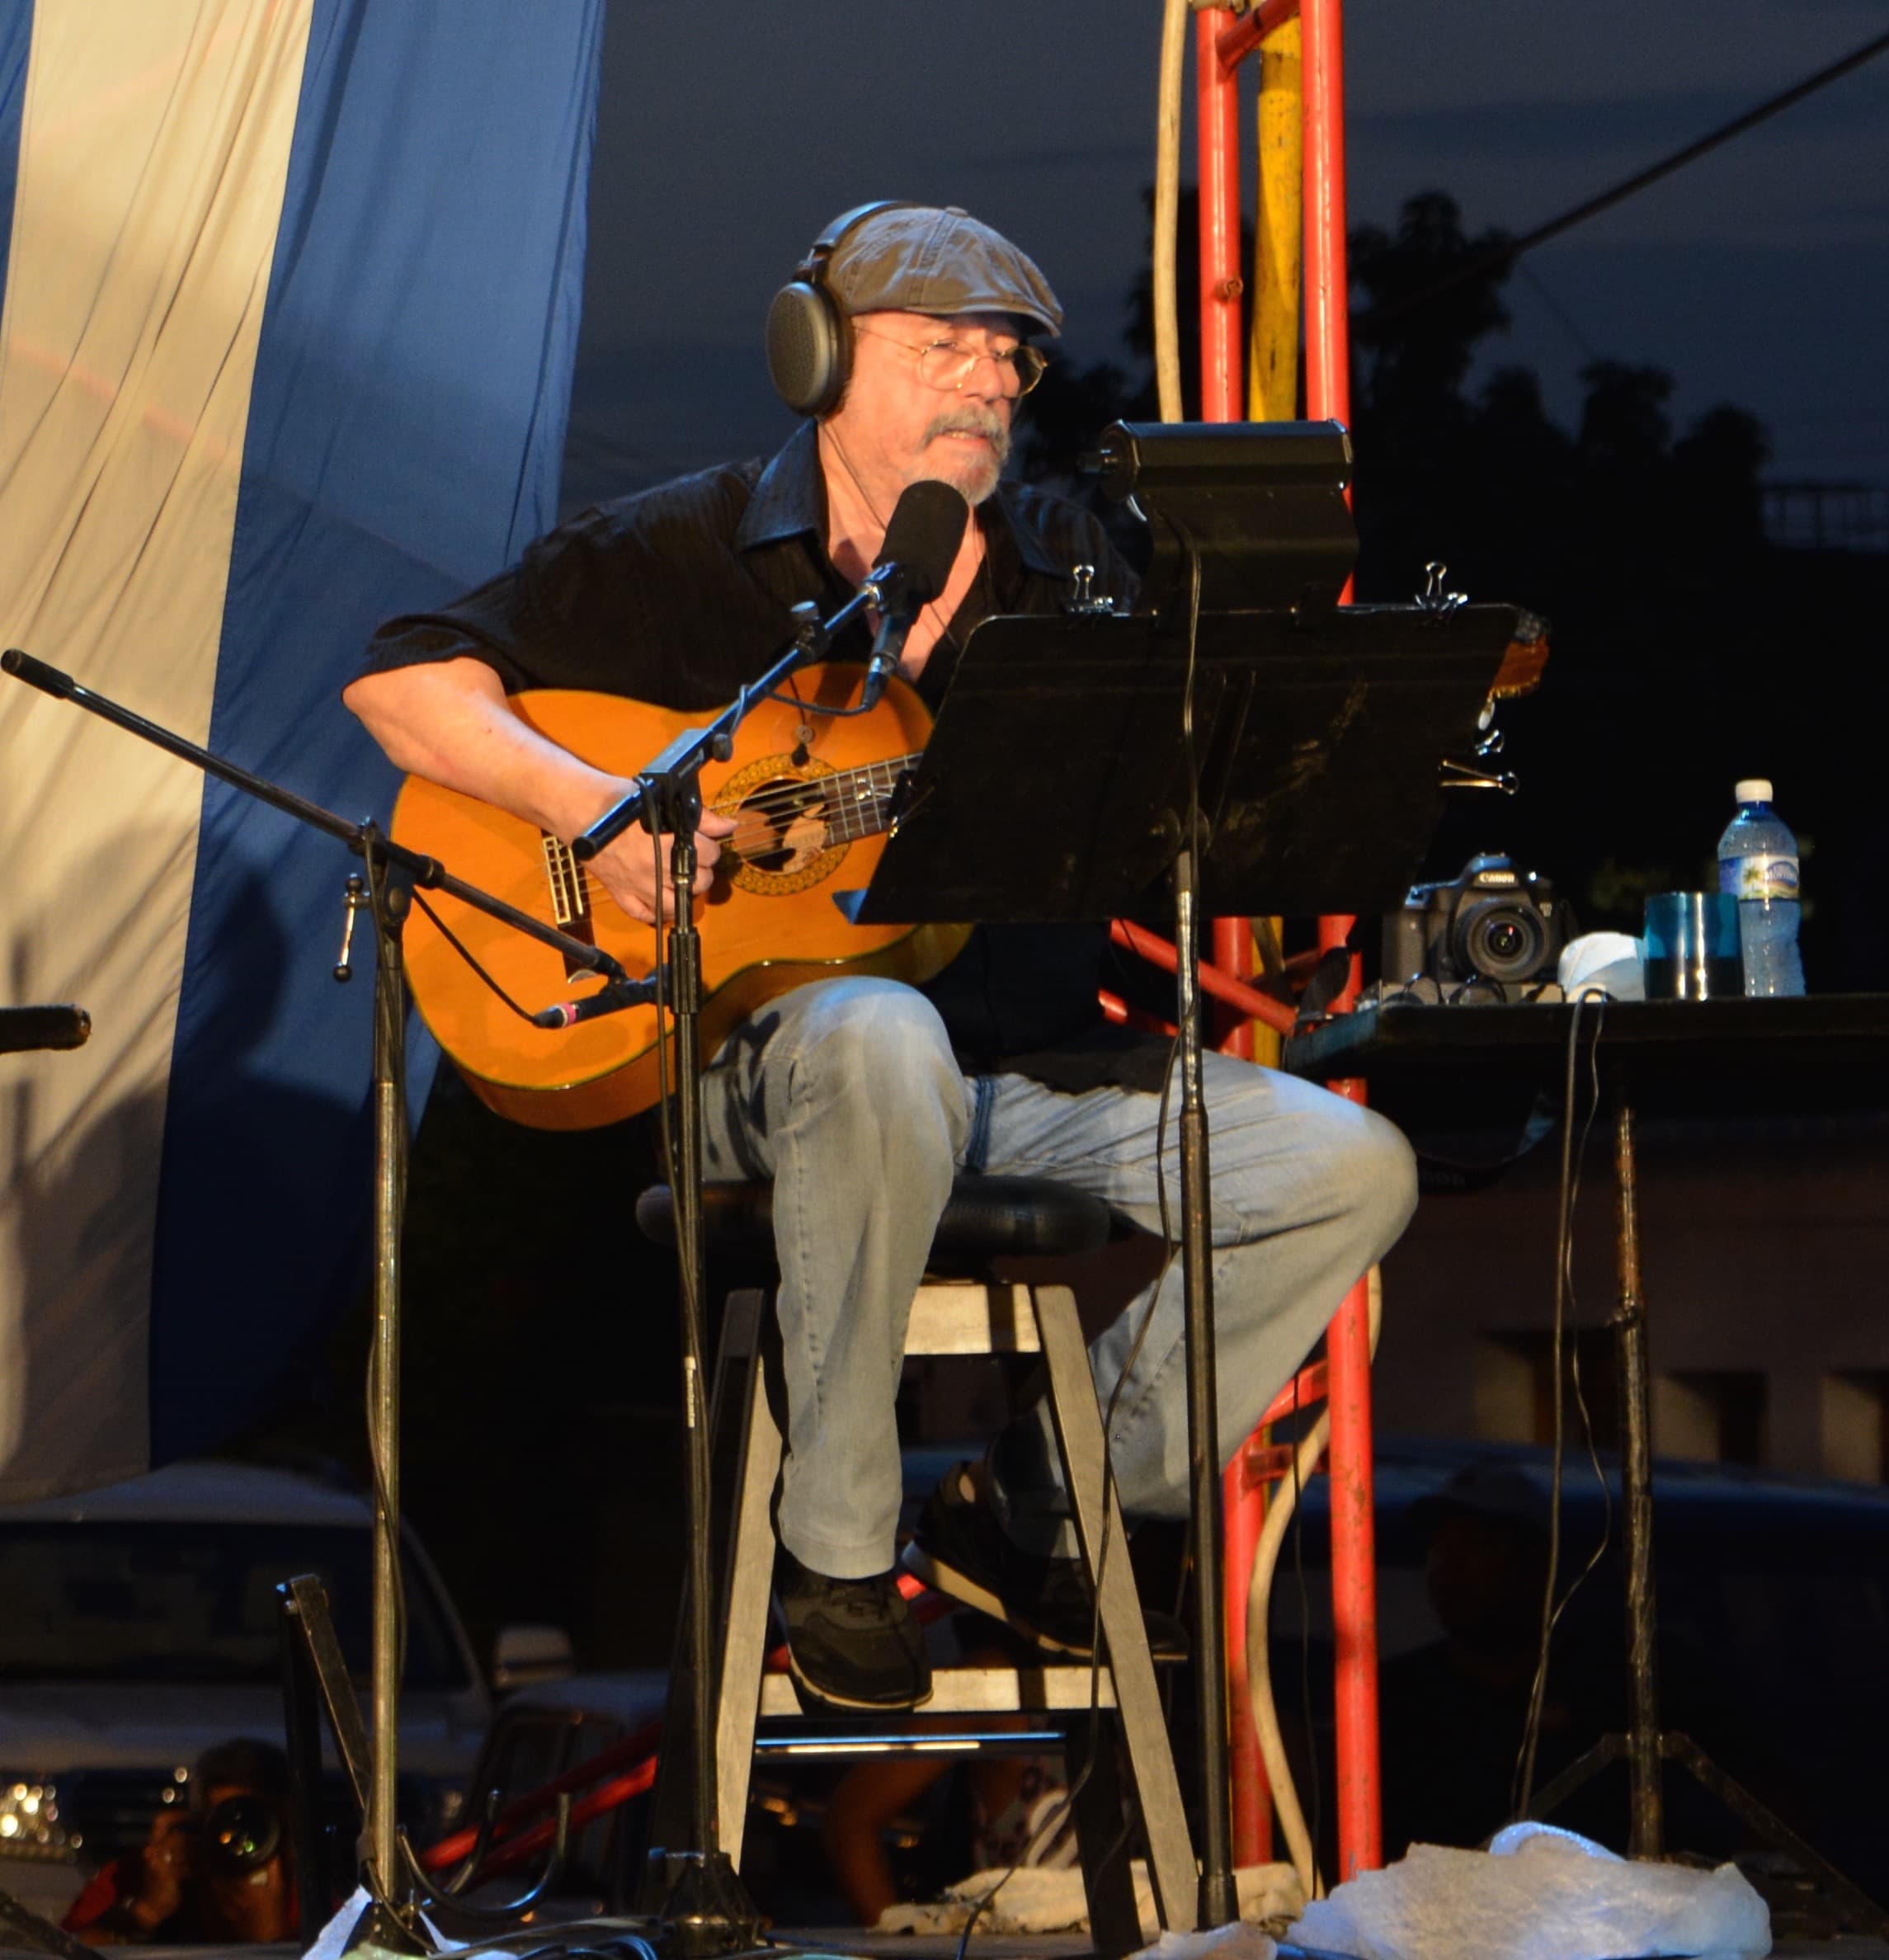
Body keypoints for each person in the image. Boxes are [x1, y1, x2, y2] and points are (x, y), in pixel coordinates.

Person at [343, 201, 1418, 1717]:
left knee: (1350, 1166)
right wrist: (604, 811)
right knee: (872, 1032)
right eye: (944, 349)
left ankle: (1045, 1504)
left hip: (1037, 1073)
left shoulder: (1072, 575)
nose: (988, 383)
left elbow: (1187, 811)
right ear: (820, 358)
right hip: (769, 1069)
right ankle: (840, 1558)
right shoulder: (677, 553)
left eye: (1010, 358)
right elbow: (403, 687)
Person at [64, 1738, 296, 1944]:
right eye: (223, 1825)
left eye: (258, 1830)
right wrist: (145, 1912)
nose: (240, 1844)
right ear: (199, 1823)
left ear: (287, 1829)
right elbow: (58, 1951)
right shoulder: (143, 1876)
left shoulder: (312, 1890)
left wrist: (274, 1940)